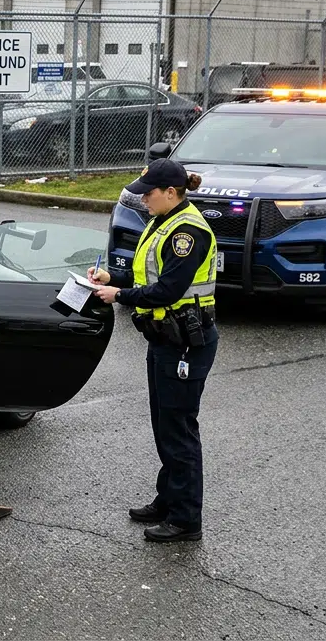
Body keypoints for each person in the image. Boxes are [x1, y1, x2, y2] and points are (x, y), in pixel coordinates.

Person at [88, 158, 219, 543]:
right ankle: (168, 500)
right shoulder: (163, 221)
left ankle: (185, 520)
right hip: (163, 338)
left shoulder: (187, 233)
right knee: (165, 425)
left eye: (149, 194)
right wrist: (113, 277)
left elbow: (168, 290)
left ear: (171, 193)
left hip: (185, 343)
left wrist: (119, 295)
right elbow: (150, 276)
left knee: (179, 430)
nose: (143, 199)